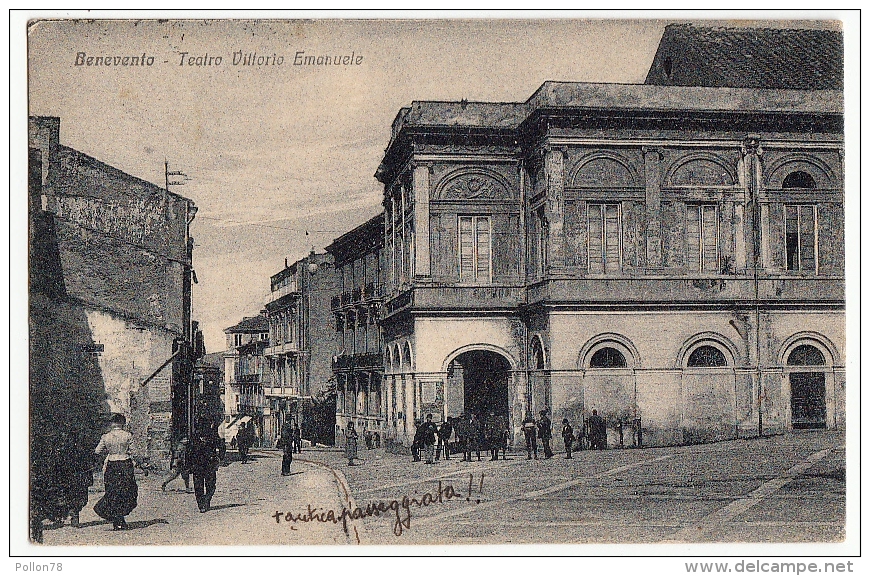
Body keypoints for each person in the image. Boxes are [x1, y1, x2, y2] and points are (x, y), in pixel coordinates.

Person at [93, 413, 138, 530]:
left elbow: (97, 451)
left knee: (113, 492)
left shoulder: (106, 437)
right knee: (127, 490)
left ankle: (117, 520)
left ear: (112, 424)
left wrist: (107, 454)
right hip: (125, 464)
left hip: (112, 465)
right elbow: (135, 452)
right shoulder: (128, 435)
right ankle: (120, 518)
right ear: (122, 423)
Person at [189, 416, 223, 512]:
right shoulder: (198, 437)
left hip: (202, 465)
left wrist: (188, 465)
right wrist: (219, 458)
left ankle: (203, 503)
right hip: (205, 465)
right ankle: (204, 503)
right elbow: (222, 447)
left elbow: (188, 452)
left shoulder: (198, 436)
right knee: (209, 485)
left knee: (201, 486)